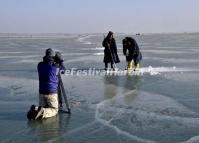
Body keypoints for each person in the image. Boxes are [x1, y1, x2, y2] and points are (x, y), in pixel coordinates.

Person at [27, 48, 63, 120]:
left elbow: (49, 67)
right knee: (54, 110)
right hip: (51, 93)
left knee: (43, 106)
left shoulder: (39, 65)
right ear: (53, 56)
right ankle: (43, 111)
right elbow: (62, 70)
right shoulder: (55, 67)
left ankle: (36, 109)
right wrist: (60, 61)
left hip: (42, 92)